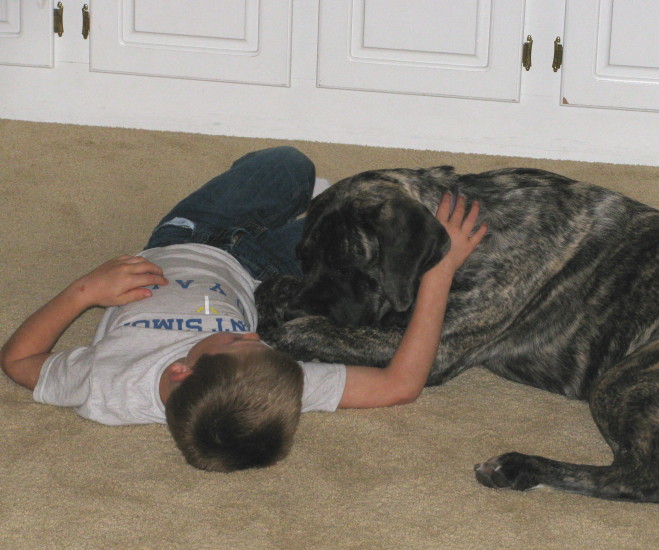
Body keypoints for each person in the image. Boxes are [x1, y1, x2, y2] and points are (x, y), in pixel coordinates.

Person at [1, 147, 486, 472]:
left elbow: (18, 360)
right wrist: (439, 271)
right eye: (260, 344)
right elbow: (400, 385)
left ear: (181, 370)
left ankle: (295, 201)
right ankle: (298, 209)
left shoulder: (109, 383)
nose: (255, 336)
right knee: (328, 194)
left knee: (286, 164)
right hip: (261, 270)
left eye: (238, 340)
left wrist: (85, 291)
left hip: (184, 238)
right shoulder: (268, 387)